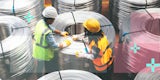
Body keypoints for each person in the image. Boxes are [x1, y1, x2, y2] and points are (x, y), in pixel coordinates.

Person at [32, 6, 71, 78]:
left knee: (39, 68)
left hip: (37, 51)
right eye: (53, 19)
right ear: (49, 19)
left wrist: (60, 32)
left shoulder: (40, 22)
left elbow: (50, 27)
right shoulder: (47, 33)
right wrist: (66, 43)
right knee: (49, 69)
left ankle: (39, 77)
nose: (54, 21)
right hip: (45, 54)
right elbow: (54, 46)